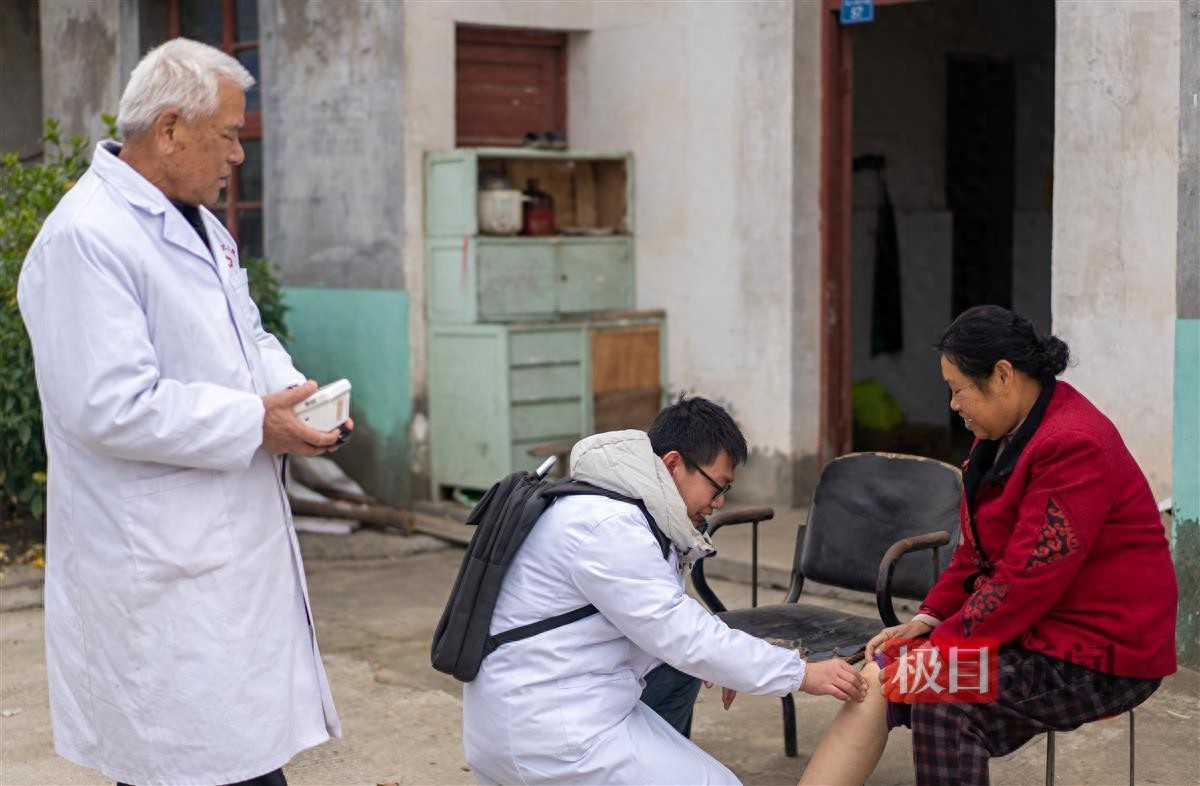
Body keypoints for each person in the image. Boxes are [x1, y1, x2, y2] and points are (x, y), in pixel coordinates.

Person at [17, 39, 351, 786]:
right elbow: (110, 405)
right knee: (189, 762)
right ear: (170, 129)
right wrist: (254, 425)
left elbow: (246, 337)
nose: (238, 154)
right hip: (157, 567)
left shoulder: (199, 223)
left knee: (232, 759)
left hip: (219, 557)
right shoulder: (86, 238)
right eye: (230, 134)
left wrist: (296, 397)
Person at [799, 305, 1178, 786]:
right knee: (884, 675)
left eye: (958, 390)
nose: (954, 405)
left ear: (1002, 375)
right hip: (1037, 632)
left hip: (1098, 654)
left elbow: (1024, 582)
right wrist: (924, 621)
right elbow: (975, 553)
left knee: (940, 695)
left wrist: (939, 649)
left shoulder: (1073, 443)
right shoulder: (1001, 436)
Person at [462, 396, 868, 785]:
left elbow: (670, 628)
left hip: (544, 704)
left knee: (683, 670)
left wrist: (728, 664)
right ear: (673, 464)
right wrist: (800, 673)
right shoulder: (608, 524)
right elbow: (680, 633)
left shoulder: (613, 506)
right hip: (549, 731)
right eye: (717, 486)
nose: (719, 503)